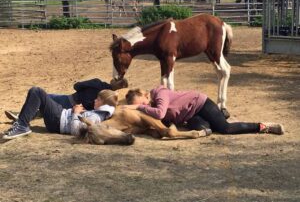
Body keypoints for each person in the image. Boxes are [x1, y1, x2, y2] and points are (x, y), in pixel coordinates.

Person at [123, 86, 284, 135]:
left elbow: (160, 113)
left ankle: (263, 126)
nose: (144, 105)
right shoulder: (152, 103)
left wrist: (138, 107)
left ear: (144, 95)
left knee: (225, 129)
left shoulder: (160, 94)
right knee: (205, 130)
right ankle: (221, 117)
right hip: (192, 115)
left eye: (142, 101)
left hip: (201, 104)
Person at [2, 87, 118, 140]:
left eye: (98, 99)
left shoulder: (96, 116)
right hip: (60, 115)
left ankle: (22, 125)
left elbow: (76, 131)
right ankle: (21, 122)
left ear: (104, 103)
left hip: (57, 120)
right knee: (42, 96)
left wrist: (76, 113)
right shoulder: (97, 114)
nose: (94, 100)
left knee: (37, 92)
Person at [4, 78, 128, 122]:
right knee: (47, 107)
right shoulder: (109, 98)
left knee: (43, 97)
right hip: (77, 112)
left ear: (114, 80)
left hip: (70, 101)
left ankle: (21, 117)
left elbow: (77, 85)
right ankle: (28, 116)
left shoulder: (97, 83)